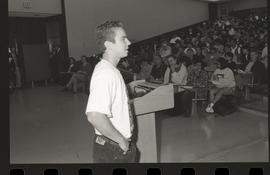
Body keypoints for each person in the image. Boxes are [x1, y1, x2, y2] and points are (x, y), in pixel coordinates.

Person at [85, 21, 138, 163]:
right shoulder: (106, 73)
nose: (129, 42)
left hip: (112, 145)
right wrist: (121, 141)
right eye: (123, 39)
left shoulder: (111, 70)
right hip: (113, 149)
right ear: (108, 45)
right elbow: (94, 115)